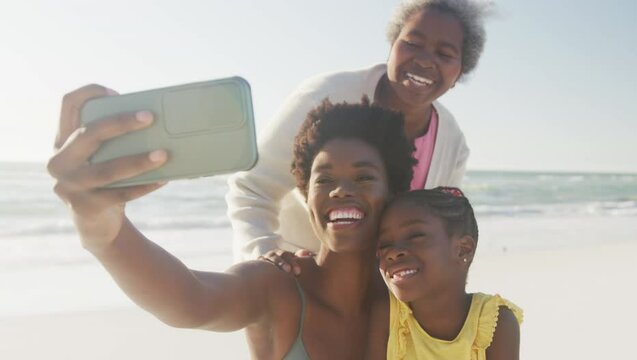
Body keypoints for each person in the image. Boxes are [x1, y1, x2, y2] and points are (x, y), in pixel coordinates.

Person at [48, 94, 413, 359]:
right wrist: (105, 233)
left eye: (364, 177)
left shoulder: (412, 302)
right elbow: (192, 300)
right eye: (324, 178)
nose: (340, 190)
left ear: (392, 192)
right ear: (306, 194)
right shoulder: (277, 285)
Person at [227, 0, 492, 262]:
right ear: (392, 44)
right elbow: (251, 189)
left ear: (460, 72)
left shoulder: (452, 143)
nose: (424, 61)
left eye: (444, 54)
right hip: (297, 280)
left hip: (380, 295)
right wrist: (264, 259)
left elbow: (437, 232)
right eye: (412, 43)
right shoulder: (325, 96)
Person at [377, 187, 523, 359]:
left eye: (415, 236)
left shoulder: (494, 323)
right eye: (384, 244)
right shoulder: (387, 317)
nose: (393, 252)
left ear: (463, 250)